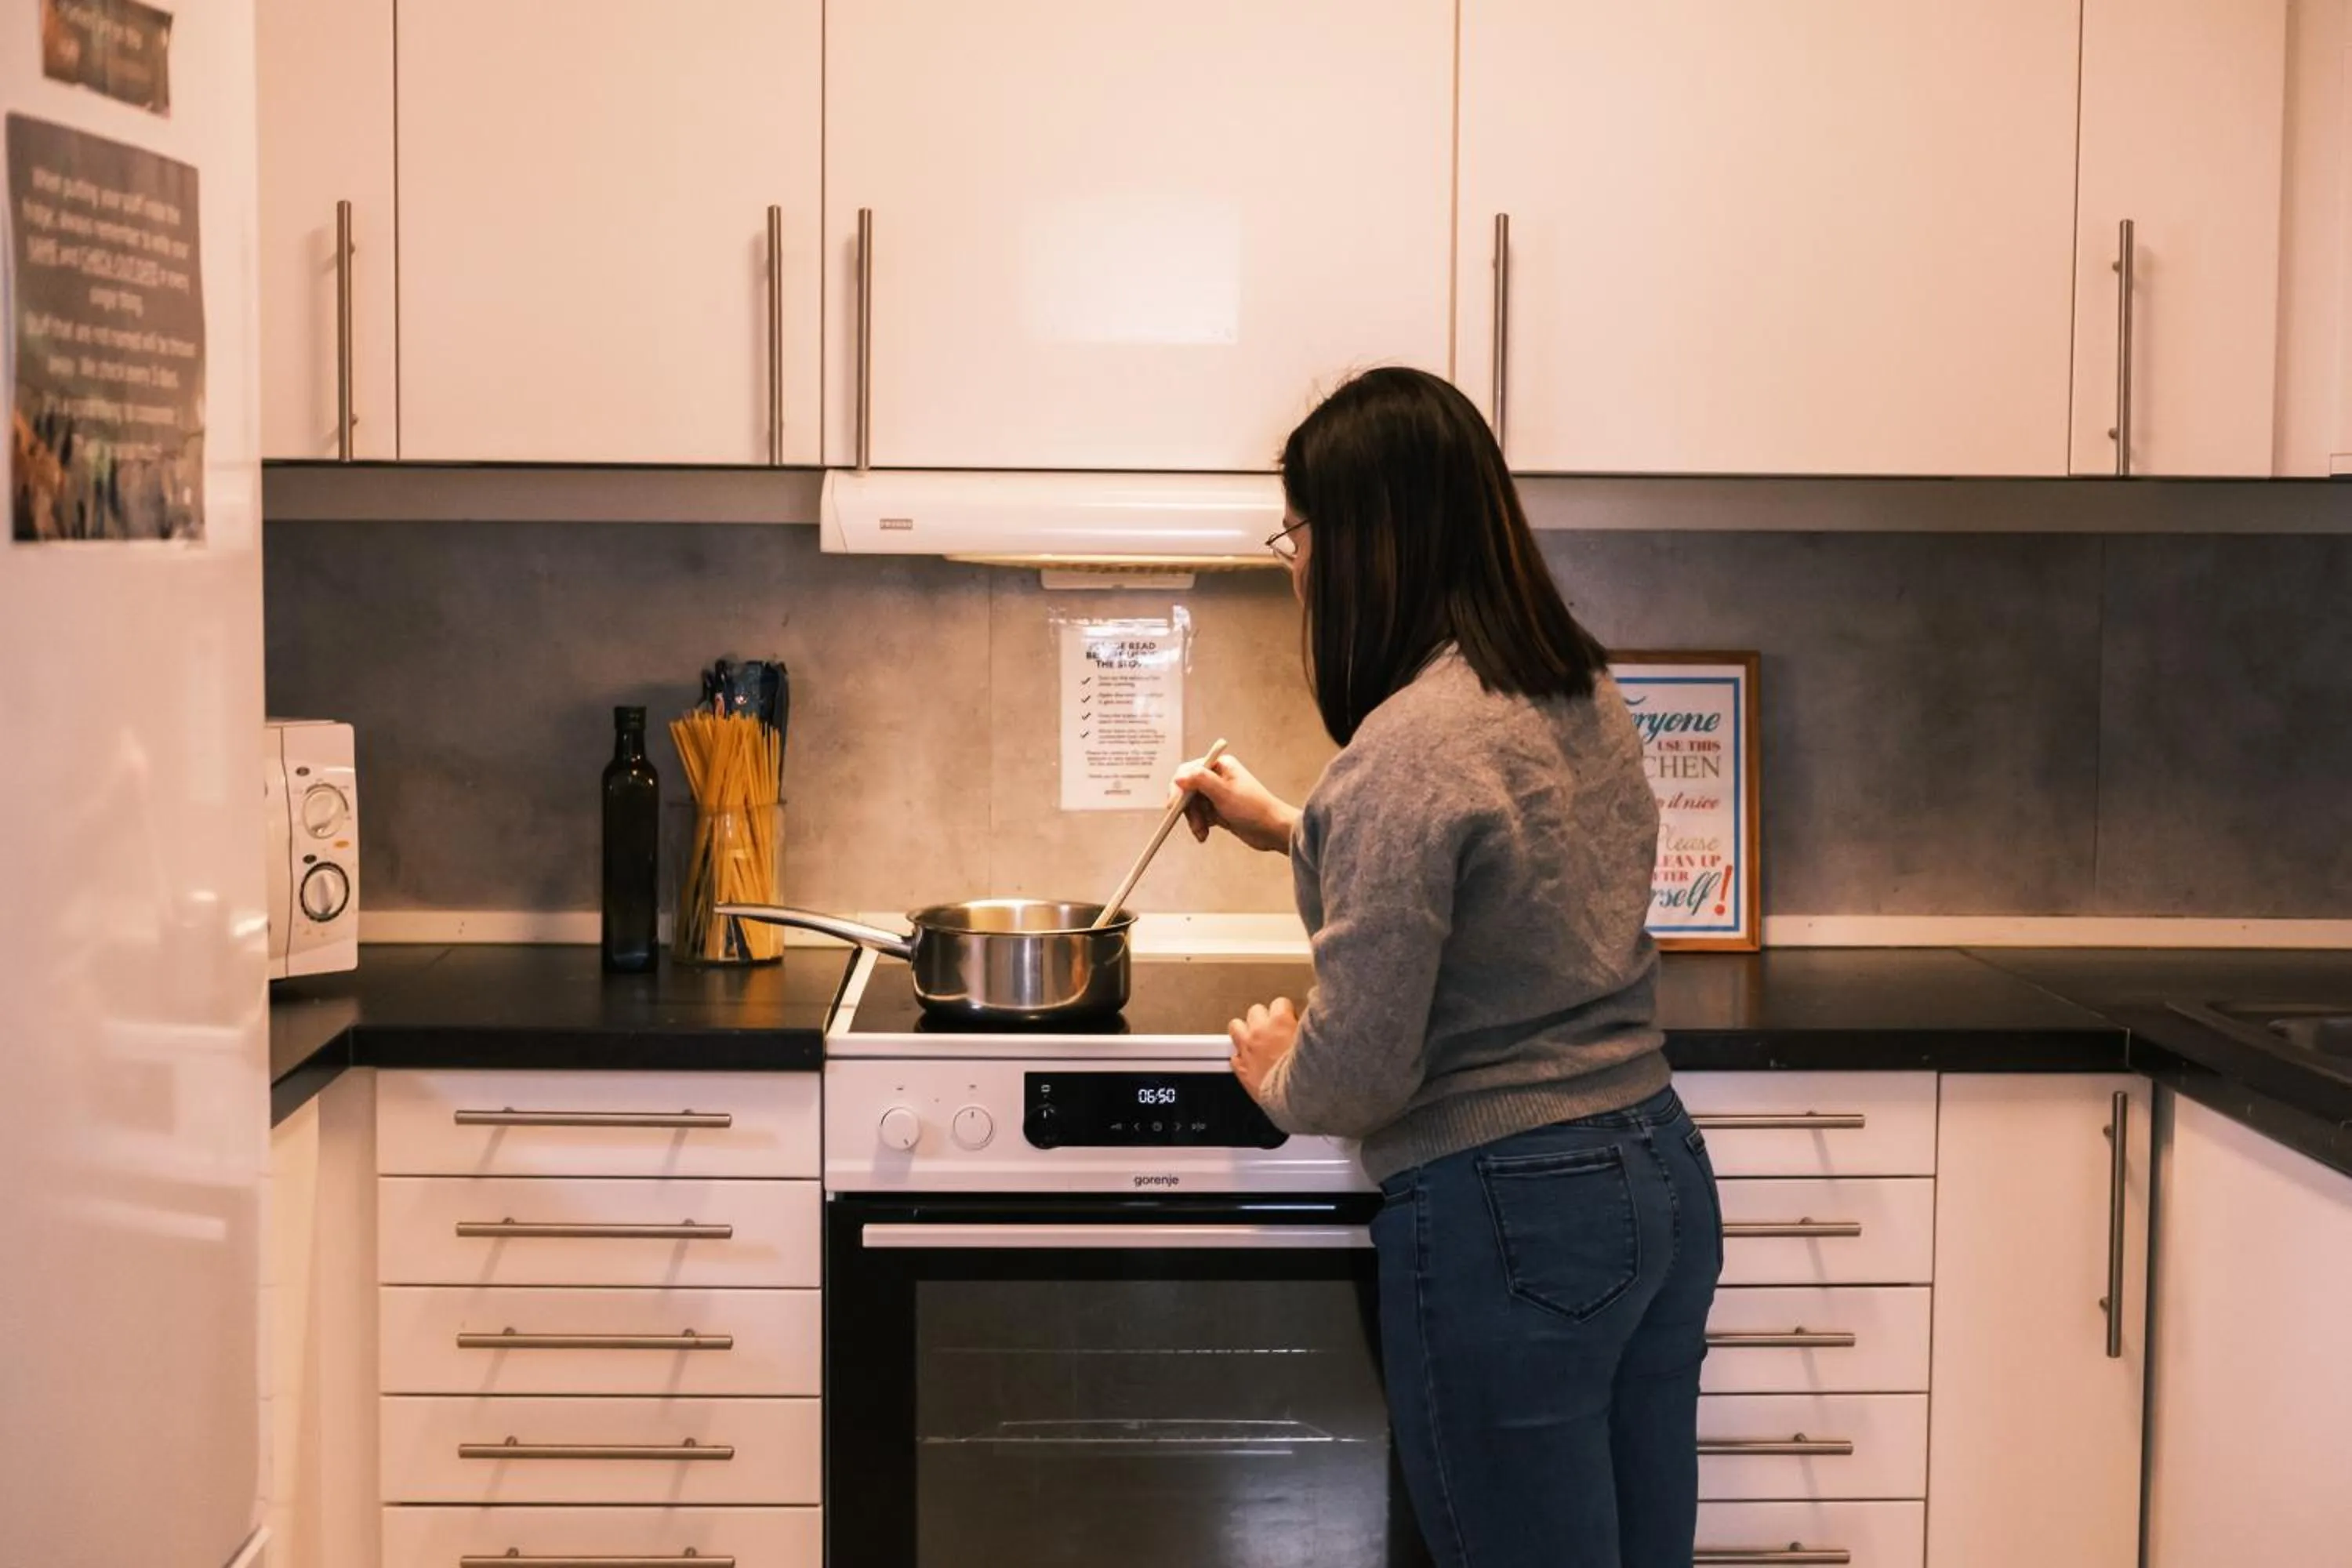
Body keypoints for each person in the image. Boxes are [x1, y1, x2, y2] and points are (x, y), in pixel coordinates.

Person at [1173, 366, 1723, 1568]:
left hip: (1512, 1215)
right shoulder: (1574, 684)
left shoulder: (1405, 749)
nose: (1298, 563)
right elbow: (1499, 876)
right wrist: (1295, 825)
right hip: (1658, 1177)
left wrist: (1277, 1073)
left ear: (1370, 544)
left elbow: (1359, 1073)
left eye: (1301, 533)